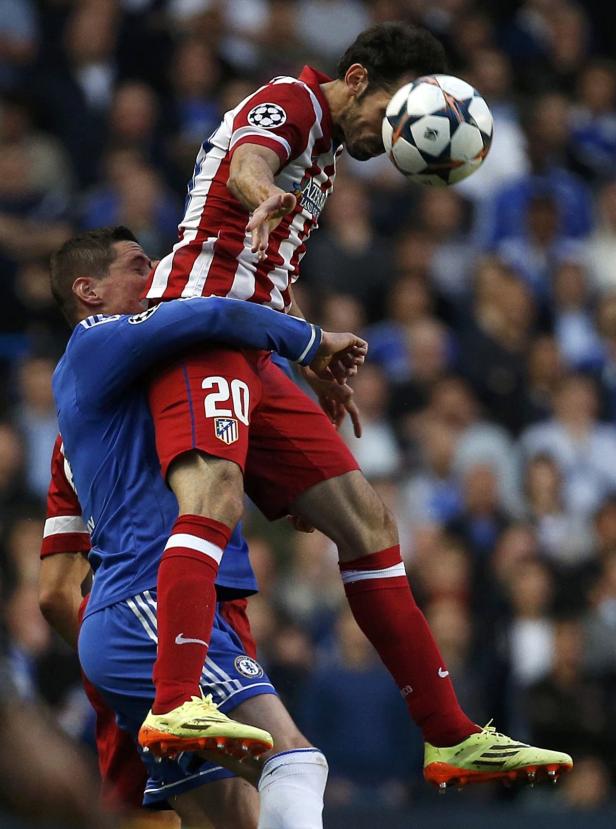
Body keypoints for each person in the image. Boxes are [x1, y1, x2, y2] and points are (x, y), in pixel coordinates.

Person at [133, 21, 572, 788]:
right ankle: (175, 701)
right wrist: (263, 191)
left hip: (258, 343)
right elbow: (247, 164)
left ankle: (449, 734)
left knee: (369, 521)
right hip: (197, 323)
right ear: (359, 77)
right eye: (395, 113)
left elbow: (264, 267)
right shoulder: (292, 99)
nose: (395, 138)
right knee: (215, 492)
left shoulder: (331, 152)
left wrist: (308, 364)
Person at [49, 225, 366, 828]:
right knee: (293, 761)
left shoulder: (141, 384)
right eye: (139, 266)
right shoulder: (94, 343)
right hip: (146, 605)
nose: (158, 274)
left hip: (141, 617)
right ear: (88, 291)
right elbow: (218, 314)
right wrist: (312, 341)